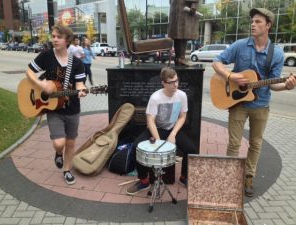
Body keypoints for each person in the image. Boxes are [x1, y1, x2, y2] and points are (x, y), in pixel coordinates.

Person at [212, 8, 296, 197]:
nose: (253, 24)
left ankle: (248, 177)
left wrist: (287, 86)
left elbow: (273, 85)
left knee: (256, 144)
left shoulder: (276, 54)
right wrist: (230, 75)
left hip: (261, 105)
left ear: (268, 26)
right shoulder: (240, 45)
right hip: (238, 104)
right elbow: (216, 62)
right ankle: (231, 177)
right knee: (234, 144)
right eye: (253, 21)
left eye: (258, 22)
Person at [26, 23, 87, 185]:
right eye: (53, 36)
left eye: (58, 37)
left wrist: (82, 90)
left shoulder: (77, 63)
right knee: (59, 143)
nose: (54, 39)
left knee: (71, 142)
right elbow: (29, 72)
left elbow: (80, 84)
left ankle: (67, 170)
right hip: (53, 108)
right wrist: (41, 86)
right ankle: (58, 153)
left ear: (67, 40)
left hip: (72, 108)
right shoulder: (46, 55)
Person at [126, 67, 198, 195]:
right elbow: (150, 121)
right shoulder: (155, 98)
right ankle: (144, 181)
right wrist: (159, 142)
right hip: (156, 129)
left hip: (171, 129)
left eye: (176, 80)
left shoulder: (182, 96)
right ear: (163, 83)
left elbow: (182, 117)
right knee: (137, 147)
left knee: (191, 149)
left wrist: (173, 134)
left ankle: (184, 177)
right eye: (171, 82)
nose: (175, 84)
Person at [168, 0, 200, 66]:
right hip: (178, 10)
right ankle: (179, 58)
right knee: (179, 36)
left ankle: (180, 58)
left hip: (182, 9)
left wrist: (193, 5)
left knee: (181, 35)